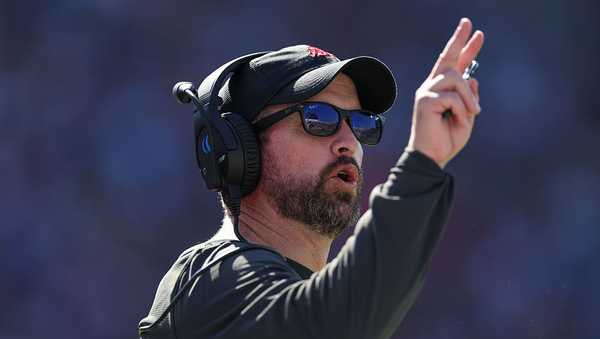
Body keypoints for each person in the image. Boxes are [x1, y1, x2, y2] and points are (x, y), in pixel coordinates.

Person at [139, 18, 484, 339]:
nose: (349, 142)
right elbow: (330, 322)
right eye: (318, 118)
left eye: (360, 122)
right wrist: (422, 161)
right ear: (241, 148)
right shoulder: (209, 282)